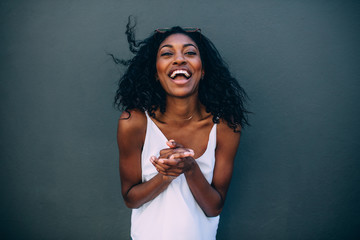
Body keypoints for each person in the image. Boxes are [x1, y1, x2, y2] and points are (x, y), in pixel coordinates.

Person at [113, 18, 249, 240]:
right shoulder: (134, 122)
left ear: (203, 70)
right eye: (167, 53)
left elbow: (214, 207)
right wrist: (165, 176)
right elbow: (131, 199)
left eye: (190, 53)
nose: (179, 59)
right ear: (156, 73)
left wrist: (190, 167)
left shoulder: (225, 125)